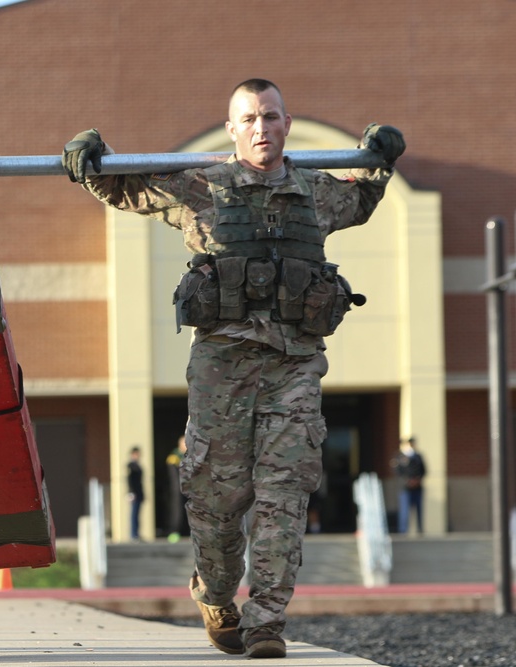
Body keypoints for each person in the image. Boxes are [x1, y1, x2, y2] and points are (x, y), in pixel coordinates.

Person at [63, 78, 404, 659]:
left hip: (295, 367)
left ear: (287, 123)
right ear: (232, 129)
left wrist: (381, 154)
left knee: (285, 493)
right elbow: (124, 191)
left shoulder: (317, 193)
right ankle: (216, 591)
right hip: (222, 369)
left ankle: (267, 620)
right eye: (248, 119)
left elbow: (365, 198)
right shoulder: (200, 187)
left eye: (270, 117)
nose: (260, 129)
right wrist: (88, 154)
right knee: (215, 499)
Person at [393, 436, 426, 535]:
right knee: (404, 510)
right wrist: (408, 481)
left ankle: (420, 529)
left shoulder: (418, 456)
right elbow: (398, 472)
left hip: (417, 487)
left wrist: (417, 480)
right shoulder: (399, 457)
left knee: (419, 509)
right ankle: (403, 531)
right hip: (405, 488)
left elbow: (423, 470)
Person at [165, 435, 188, 541]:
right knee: (177, 510)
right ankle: (174, 531)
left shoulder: (188, 456)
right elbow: (174, 477)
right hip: (177, 490)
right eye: (185, 443)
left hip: (187, 489)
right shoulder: (174, 457)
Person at [127, 446, 145, 541]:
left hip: (139, 493)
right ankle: (133, 534)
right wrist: (131, 493)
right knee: (134, 514)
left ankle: (136, 533)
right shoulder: (131, 466)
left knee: (137, 514)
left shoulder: (137, 465)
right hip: (134, 493)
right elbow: (130, 480)